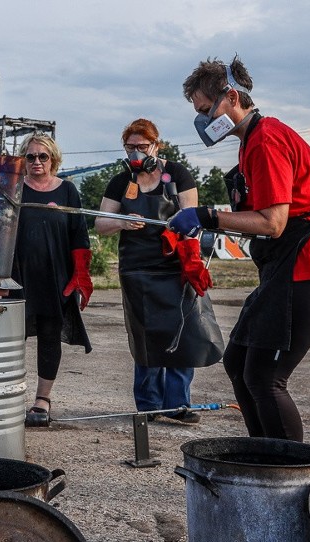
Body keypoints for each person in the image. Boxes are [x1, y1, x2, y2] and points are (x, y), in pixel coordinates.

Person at [173, 56, 310, 441]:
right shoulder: (250, 142)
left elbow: (272, 222)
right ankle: (263, 459)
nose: (203, 120)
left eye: (206, 110)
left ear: (233, 97)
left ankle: (290, 474)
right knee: (239, 362)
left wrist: (208, 216)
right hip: (288, 262)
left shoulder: (266, 140)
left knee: (266, 376)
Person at [95, 119, 224, 424]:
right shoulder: (120, 180)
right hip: (136, 269)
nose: (136, 152)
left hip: (174, 265)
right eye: (130, 147)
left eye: (142, 146)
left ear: (156, 144)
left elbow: (191, 219)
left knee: (185, 330)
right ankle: (149, 405)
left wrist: (184, 239)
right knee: (146, 336)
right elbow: (101, 224)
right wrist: (123, 222)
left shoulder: (176, 174)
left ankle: (178, 404)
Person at [7, 134, 93, 427]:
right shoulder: (14, 189)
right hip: (17, 276)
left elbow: (79, 235)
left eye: (42, 156)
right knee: (9, 339)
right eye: (30, 157)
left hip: (55, 276)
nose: (36, 162)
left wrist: (81, 274)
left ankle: (42, 399)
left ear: (53, 159)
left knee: (49, 336)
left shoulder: (67, 190)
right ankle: (7, 397)